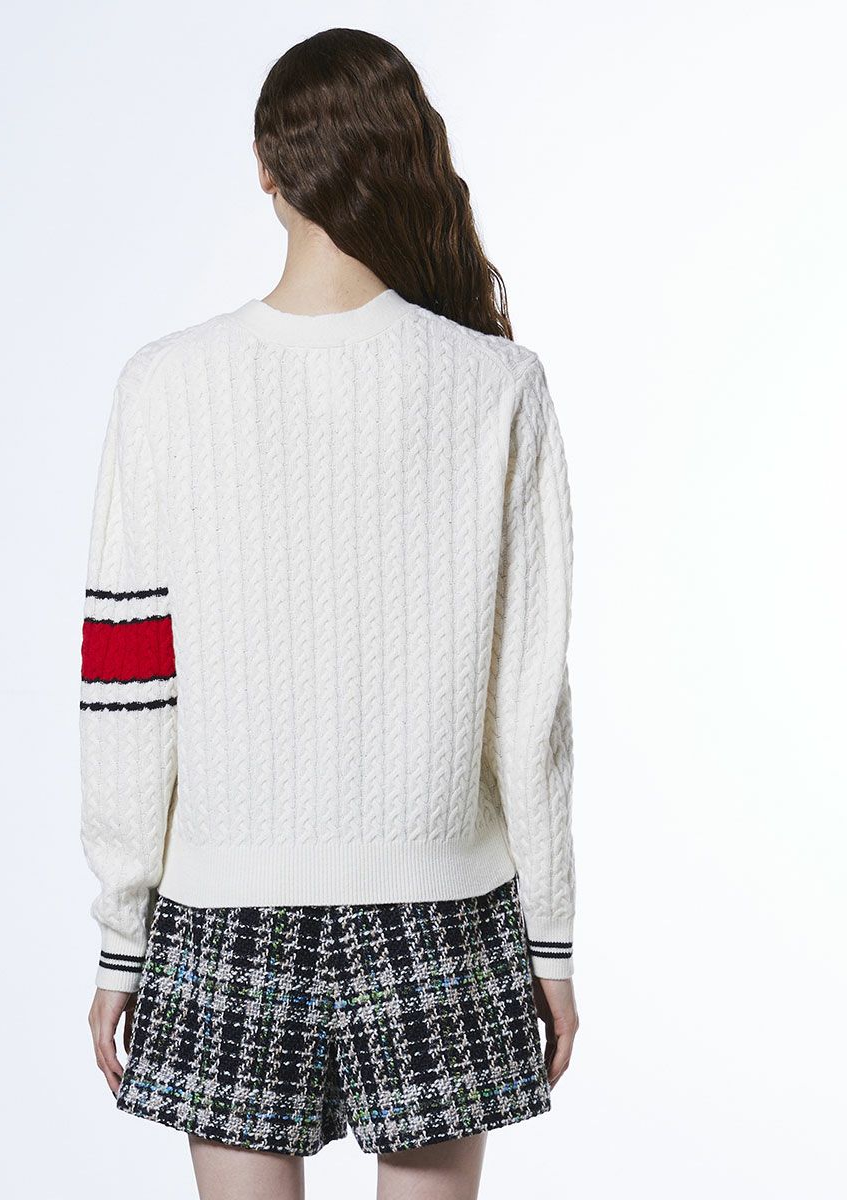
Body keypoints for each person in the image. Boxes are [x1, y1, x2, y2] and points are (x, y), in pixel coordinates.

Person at [79, 26, 579, 1200]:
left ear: (265, 166)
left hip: (224, 908)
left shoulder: (165, 385)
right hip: (443, 911)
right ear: (406, 159)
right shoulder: (497, 385)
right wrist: (550, 935)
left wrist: (121, 932)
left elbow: (129, 678)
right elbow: (530, 701)